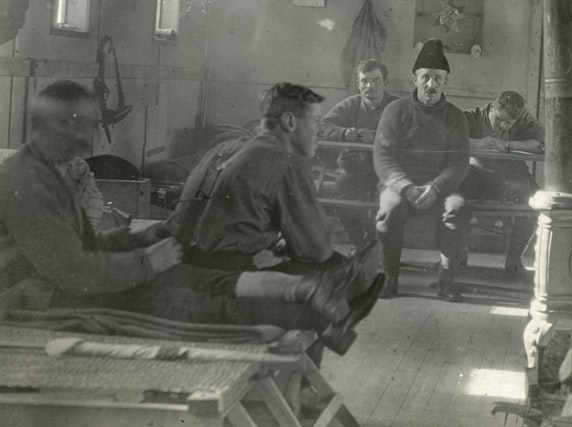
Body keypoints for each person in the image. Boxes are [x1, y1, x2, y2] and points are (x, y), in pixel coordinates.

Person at [0, 81, 378, 355]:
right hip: (43, 299)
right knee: (202, 305)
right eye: (88, 125)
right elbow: (72, 273)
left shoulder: (52, 171)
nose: (92, 136)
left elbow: (86, 247)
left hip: (125, 268)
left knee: (202, 280)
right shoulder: (27, 182)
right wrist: (146, 262)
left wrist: (138, 240)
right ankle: (321, 313)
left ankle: (316, 298)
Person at [176, 82, 348, 275]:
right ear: (290, 121)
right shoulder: (287, 159)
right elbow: (317, 250)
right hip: (223, 277)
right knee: (333, 264)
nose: (320, 130)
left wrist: (270, 238)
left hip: (183, 262)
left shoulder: (227, 150)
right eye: (315, 120)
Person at [374, 39, 471, 300]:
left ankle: (446, 280)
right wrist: (406, 187)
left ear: (446, 82)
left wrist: (436, 188)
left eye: (438, 79)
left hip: (440, 187)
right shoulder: (395, 111)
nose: (431, 85)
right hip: (399, 185)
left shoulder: (455, 117)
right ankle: (388, 278)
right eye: (425, 77)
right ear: (414, 80)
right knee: (390, 209)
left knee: (457, 209)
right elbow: (383, 157)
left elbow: (459, 162)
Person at [461, 90, 544, 275]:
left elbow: (542, 144)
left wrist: (507, 145)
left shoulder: (523, 119)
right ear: (492, 107)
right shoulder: (470, 117)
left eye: (509, 123)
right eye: (499, 119)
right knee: (455, 198)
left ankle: (513, 261)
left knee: (535, 202)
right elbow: (450, 137)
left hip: (513, 178)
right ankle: (457, 257)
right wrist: (479, 144)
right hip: (478, 176)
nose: (503, 126)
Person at [320, 60, 398, 243]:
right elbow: (325, 124)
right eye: (364, 81)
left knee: (391, 201)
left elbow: (412, 134)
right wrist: (344, 133)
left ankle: (378, 246)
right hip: (356, 168)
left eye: (376, 80)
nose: (369, 86)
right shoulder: (351, 104)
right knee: (341, 192)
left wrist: (379, 137)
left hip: (387, 171)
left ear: (385, 83)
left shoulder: (397, 107)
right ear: (358, 84)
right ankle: (359, 243)